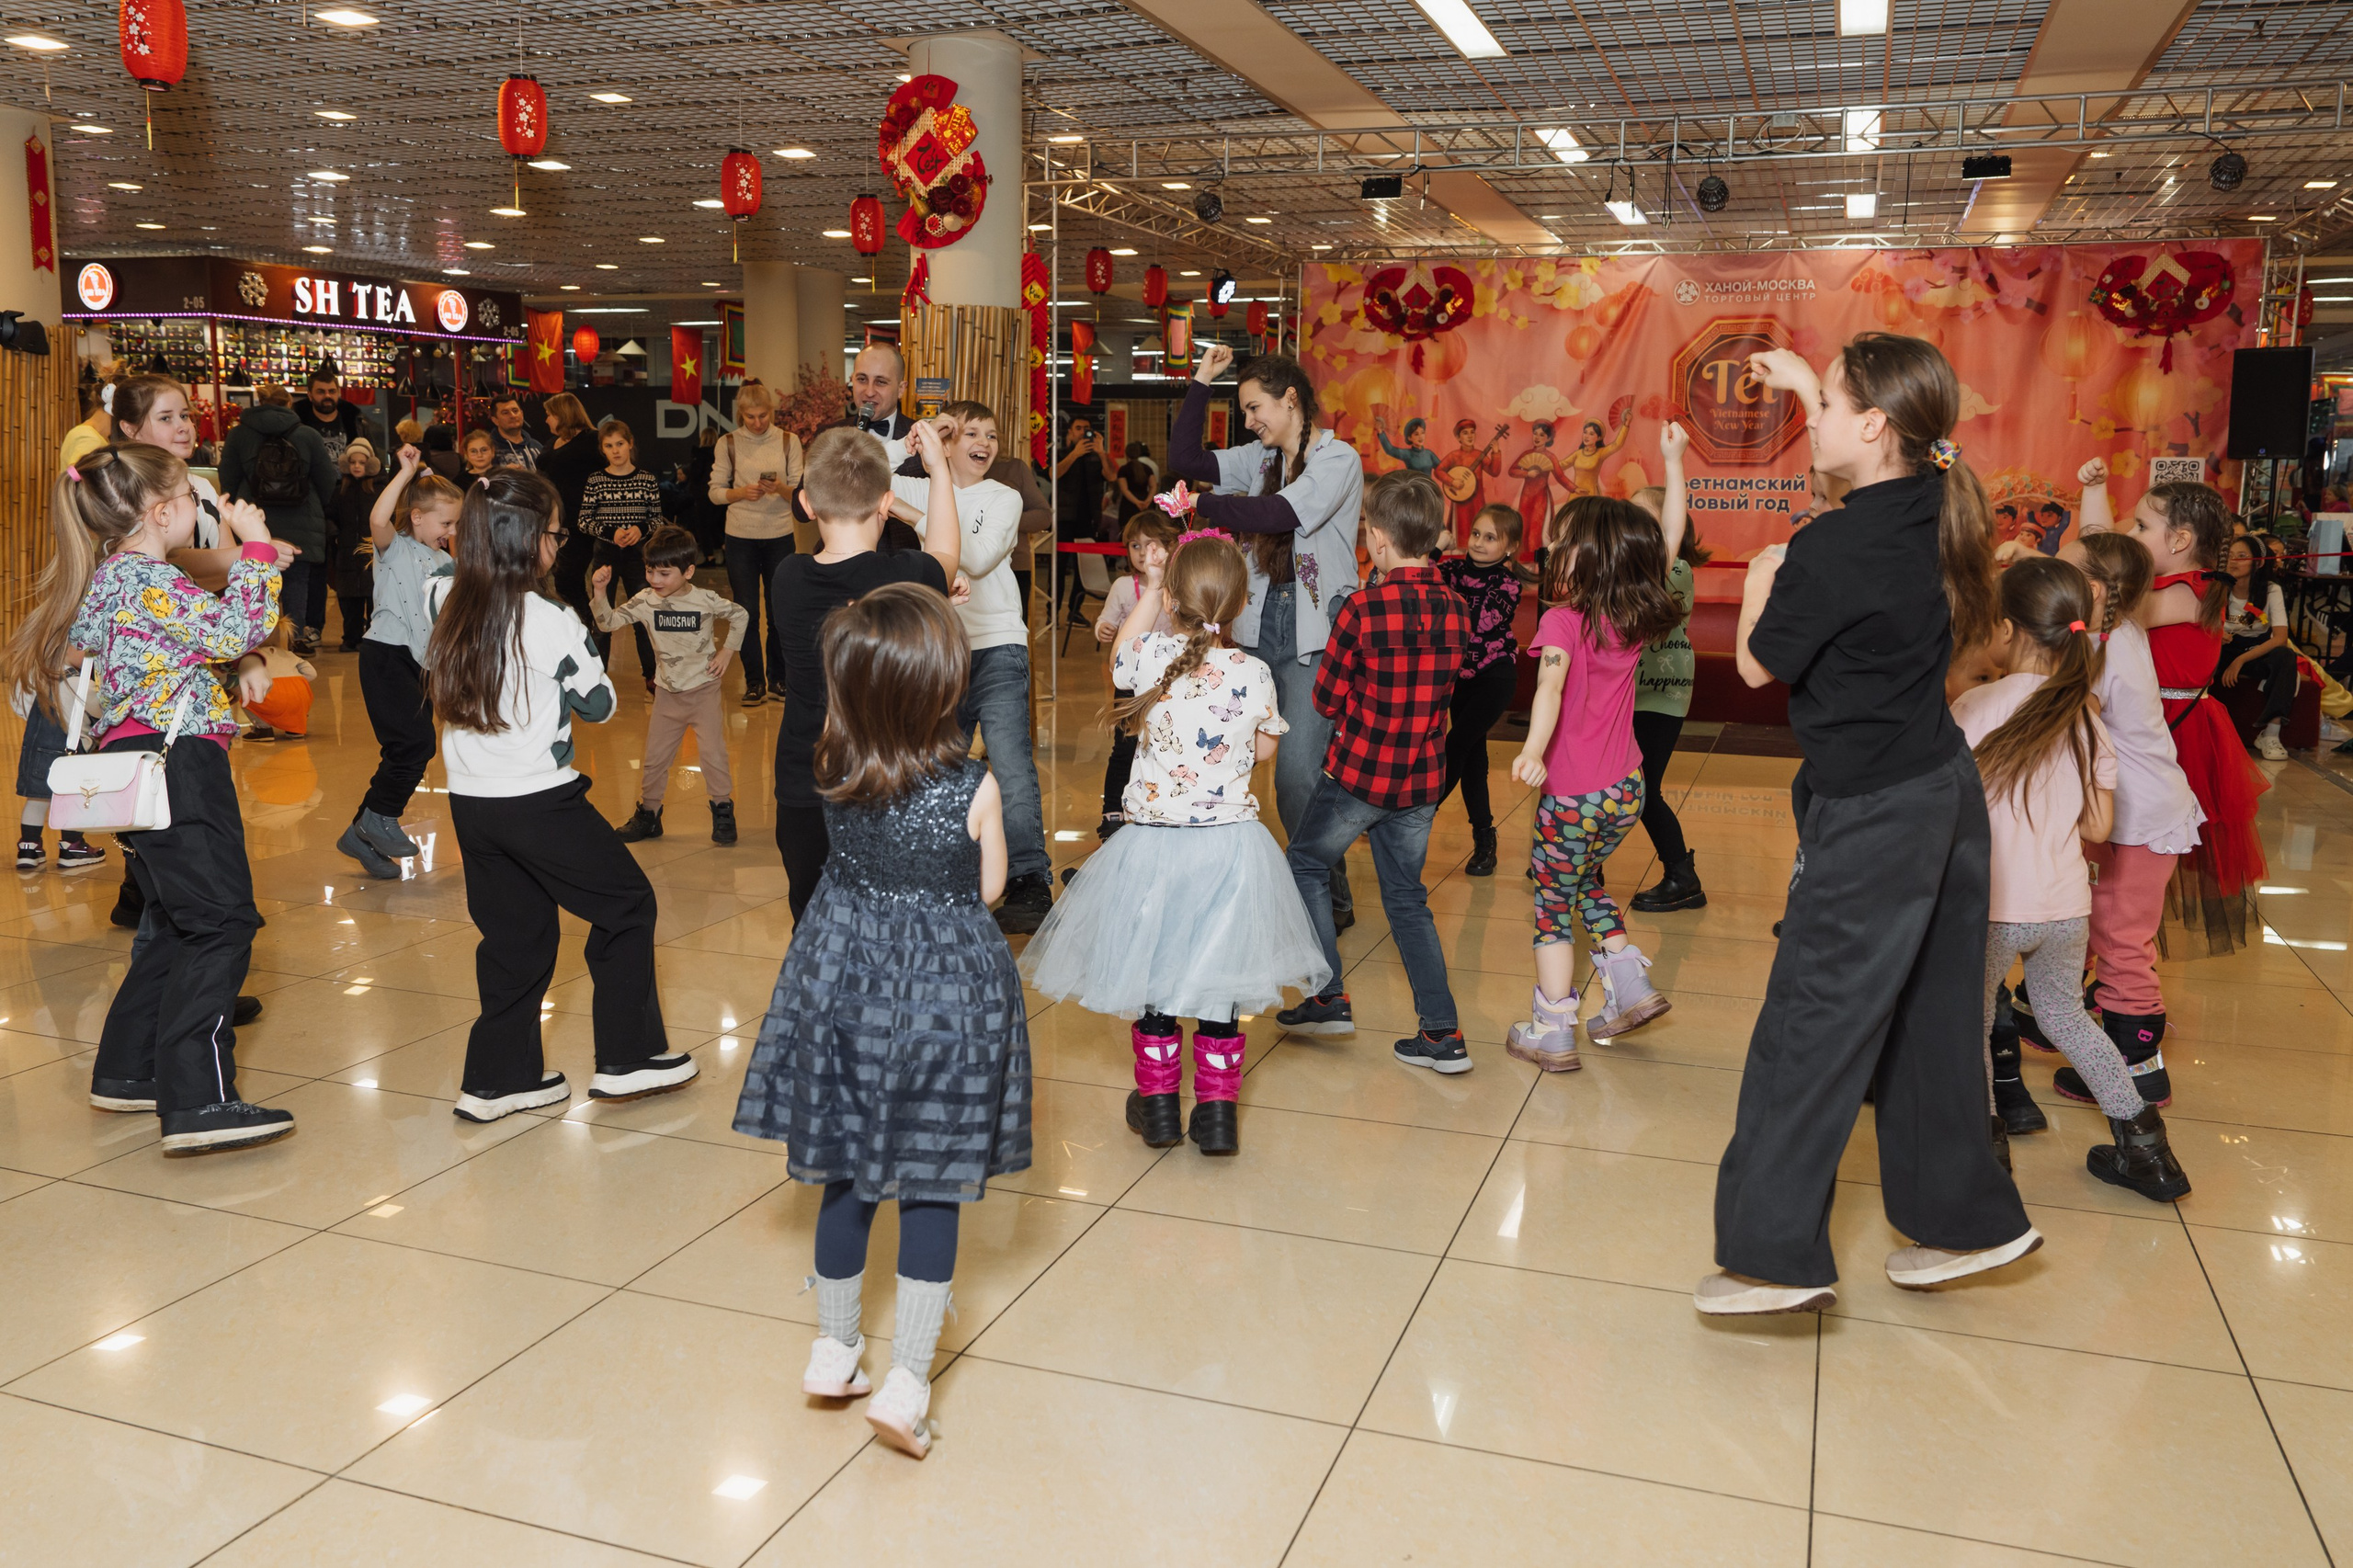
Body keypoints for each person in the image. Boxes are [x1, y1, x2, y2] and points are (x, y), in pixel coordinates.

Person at [1702, 333, 2037, 1316]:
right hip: (1941, 791)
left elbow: (1761, 664)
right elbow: (1867, 446)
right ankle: (1966, 1219)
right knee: (1933, 1019)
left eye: (1824, 407)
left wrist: (1764, 575)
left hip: (1875, 812)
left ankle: (1770, 1256)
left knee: (1809, 1023)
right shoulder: (1941, 501)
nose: (1808, 425)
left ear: (1875, 425)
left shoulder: (1830, 546)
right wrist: (1814, 383)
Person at [733, 583, 1031, 1461]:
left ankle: (832, 1354)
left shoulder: (832, 761)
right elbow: (988, 890)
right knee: (932, 1186)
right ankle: (906, 1382)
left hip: (846, 982)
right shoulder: (975, 785)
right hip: (945, 1003)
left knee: (847, 1171)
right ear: (945, 685)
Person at [16, 446, 295, 1153]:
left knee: (178, 920)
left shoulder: (113, 578)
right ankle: (199, 1101)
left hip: (137, 767)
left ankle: (129, 1072)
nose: (200, 510)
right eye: (192, 500)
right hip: (179, 767)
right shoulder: (148, 579)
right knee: (223, 923)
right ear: (159, 511)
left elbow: (91, 649)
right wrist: (255, 547)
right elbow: (236, 631)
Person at [1021, 531, 1328, 1153]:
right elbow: (1265, 749)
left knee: (1155, 977)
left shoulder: (1151, 657)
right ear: (1239, 603)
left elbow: (1118, 658)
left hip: (1154, 849)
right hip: (1230, 852)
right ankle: (1216, 1117)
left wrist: (1156, 585)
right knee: (1220, 980)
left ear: (1174, 600)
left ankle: (1159, 1106)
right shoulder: (1255, 671)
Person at [426, 470, 698, 1123]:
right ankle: (628, 1060)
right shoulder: (550, 617)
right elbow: (599, 705)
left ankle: (498, 1079)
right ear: (527, 543)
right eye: (555, 532)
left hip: (471, 801)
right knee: (627, 907)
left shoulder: (442, 594)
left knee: (514, 937)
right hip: (539, 800)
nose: (560, 543)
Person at [1954, 556, 2189, 1199]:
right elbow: (2097, 827)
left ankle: (1983, 1152)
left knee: (1971, 1023)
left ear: (2005, 628)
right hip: (2064, 909)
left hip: (1994, 906)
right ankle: (2146, 1150)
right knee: (2067, 1019)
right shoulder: (2087, 719)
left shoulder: (1974, 706)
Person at [1279, 472, 1472, 1071]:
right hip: (1420, 782)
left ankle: (1327, 995)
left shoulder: (1362, 608)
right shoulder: (1458, 609)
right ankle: (1442, 1034)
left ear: (1379, 540)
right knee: (1408, 899)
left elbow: (1327, 701)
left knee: (1306, 864)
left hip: (1358, 777)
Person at [1167, 342, 1363, 929]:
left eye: (1256, 409)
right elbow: (1185, 457)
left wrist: (1205, 506)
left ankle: (1325, 883)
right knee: (1230, 762)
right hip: (1254, 631)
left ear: (1291, 400)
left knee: (1297, 773)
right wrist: (1201, 381)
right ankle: (1278, 885)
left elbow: (1279, 515)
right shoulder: (1259, 458)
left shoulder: (1337, 459)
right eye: (1245, 412)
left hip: (1311, 633)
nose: (1250, 422)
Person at [1501, 493, 1683, 1071]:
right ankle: (1628, 983)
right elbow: (1665, 546)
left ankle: (1551, 1029)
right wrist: (1675, 468)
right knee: (1584, 883)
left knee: (1553, 906)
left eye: (1561, 539)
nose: (1550, 546)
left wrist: (1533, 751)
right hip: (1628, 790)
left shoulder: (1561, 619)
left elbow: (1548, 688)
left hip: (1573, 796)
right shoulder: (1630, 616)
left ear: (1592, 556)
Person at [769, 424, 961, 921]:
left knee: (814, 922)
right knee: (887, 922)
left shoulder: (787, 576)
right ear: (886, 504)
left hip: (804, 780)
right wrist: (938, 468)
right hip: (886, 781)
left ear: (807, 504)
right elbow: (945, 550)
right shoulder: (909, 574)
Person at [2075, 470, 2268, 956]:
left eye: (2141, 527)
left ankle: (2118, 977)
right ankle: (2103, 971)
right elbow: (2102, 569)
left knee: (2132, 860)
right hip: (2136, 722)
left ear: (2180, 540)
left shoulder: (2193, 589)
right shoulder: (2171, 581)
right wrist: (2095, 491)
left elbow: (2103, 595)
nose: (2130, 535)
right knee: (2109, 864)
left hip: (2169, 736)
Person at [2052, 530, 2204, 1113]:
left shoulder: (2098, 645)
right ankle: (2096, 1022)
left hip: (2137, 816)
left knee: (2120, 936)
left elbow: (2072, 711)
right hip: (2144, 808)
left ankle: (2138, 1068)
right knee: (2118, 927)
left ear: (2090, 589)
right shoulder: (2120, 631)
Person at [890, 400, 1053, 933]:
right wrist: (910, 444)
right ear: (948, 442)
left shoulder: (1002, 496)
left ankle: (1030, 880)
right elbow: (859, 477)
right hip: (941, 651)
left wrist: (917, 516)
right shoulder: (918, 483)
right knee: (940, 764)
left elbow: (978, 558)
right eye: (969, 434)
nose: (983, 443)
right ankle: (948, 870)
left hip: (998, 646)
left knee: (1010, 764)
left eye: (992, 434)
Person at [337, 447, 460, 880]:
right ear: (418, 517)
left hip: (420, 665)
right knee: (415, 745)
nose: (451, 531)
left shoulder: (447, 562)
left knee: (406, 748)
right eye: (446, 523)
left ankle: (362, 832)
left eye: (455, 524)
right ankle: (378, 819)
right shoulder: (396, 550)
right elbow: (377, 519)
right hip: (385, 656)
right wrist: (405, 473)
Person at [598, 526, 748, 846]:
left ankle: (722, 810)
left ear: (688, 571)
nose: (655, 579)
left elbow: (740, 615)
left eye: (664, 573)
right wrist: (599, 592)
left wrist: (727, 651)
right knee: (655, 759)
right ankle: (649, 816)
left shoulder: (705, 599)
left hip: (704, 691)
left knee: (714, 756)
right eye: (650, 571)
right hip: (666, 694)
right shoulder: (645, 601)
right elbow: (607, 622)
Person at [1630, 423, 1711, 913]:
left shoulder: (1672, 569)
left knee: (1642, 789)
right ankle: (1581, 865)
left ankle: (1683, 877)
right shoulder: (1643, 569)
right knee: (1625, 784)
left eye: (1639, 517)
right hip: (1637, 691)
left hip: (1658, 693)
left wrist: (1673, 462)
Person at [1436, 504, 1527, 877]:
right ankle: (1485, 840)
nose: (1478, 542)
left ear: (1510, 547)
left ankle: (1417, 812)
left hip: (1494, 675)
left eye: (1490, 537)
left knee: (1456, 744)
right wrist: (1437, 549)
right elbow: (1412, 577)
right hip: (1460, 676)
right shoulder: (1451, 570)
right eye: (1475, 534)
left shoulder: (1508, 583)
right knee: (1473, 759)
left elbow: (1480, 621)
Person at [219, 383, 336, 657]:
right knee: (297, 581)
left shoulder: (238, 435)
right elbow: (327, 480)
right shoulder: (307, 434)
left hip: (254, 519)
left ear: (258, 402)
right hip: (302, 518)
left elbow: (228, 479)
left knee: (257, 577)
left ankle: (256, 640)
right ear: (289, 404)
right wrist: (317, 503)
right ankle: (293, 639)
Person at [710, 381, 803, 706]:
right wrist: (740, 493)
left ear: (771, 412)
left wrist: (778, 488)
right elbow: (714, 492)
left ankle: (778, 679)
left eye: (762, 415)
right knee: (746, 611)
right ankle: (754, 683)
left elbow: (800, 494)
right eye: (750, 417)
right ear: (741, 414)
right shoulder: (728, 443)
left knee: (779, 612)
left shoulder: (790, 442)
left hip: (780, 535)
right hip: (740, 538)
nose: (757, 423)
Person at [1091, 511, 1183, 839]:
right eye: (1135, 545)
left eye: (1153, 544)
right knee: (1125, 746)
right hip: (1129, 684)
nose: (1144, 553)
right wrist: (1103, 628)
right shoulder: (1122, 586)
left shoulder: (1179, 584)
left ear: (1171, 545)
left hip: (1170, 681)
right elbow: (1106, 619)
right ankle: (1112, 811)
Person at [576, 416, 663, 684]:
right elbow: (584, 520)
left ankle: (651, 676)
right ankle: (597, 679)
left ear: (630, 444)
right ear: (602, 449)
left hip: (639, 557)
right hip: (606, 555)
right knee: (602, 618)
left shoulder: (647, 479)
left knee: (643, 618)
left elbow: (658, 519)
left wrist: (641, 528)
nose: (615, 450)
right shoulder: (596, 480)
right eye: (609, 445)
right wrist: (611, 532)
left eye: (620, 444)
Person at [2215, 533, 2297, 759]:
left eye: (2242, 556)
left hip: (2256, 651)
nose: (2233, 561)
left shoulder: (2271, 590)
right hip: (2224, 647)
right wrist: (2216, 634)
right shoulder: (2218, 586)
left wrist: (2240, 661)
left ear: (2258, 562)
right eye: (2230, 556)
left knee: (2285, 656)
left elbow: (2280, 637)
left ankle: (2271, 733)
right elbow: (2202, 624)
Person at [537, 392, 605, 642]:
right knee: (560, 577)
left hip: (580, 521)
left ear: (562, 414)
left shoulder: (593, 440)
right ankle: (577, 628)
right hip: (553, 519)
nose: (546, 420)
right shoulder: (552, 442)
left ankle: (587, 629)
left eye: (550, 414)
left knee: (568, 576)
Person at [1052, 414, 1108, 625]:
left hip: (1089, 520)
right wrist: (1074, 454)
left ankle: (1074, 612)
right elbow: (1053, 474)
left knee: (1083, 569)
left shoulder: (1096, 456)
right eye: (1078, 428)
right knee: (1058, 568)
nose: (1082, 431)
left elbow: (1111, 476)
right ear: (1070, 432)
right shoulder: (1061, 453)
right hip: (1064, 519)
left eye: (1087, 428)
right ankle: (1053, 612)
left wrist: (1102, 453)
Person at [328, 438, 383, 651]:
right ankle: (350, 637)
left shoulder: (378, 489)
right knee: (349, 600)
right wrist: (334, 533)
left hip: (373, 552)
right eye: (353, 462)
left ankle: (372, 635)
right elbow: (330, 515)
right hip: (347, 552)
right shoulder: (340, 490)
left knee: (373, 597)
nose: (357, 466)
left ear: (370, 464)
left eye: (362, 462)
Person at [1437, 418, 1502, 539]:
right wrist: (1452, 481)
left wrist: (1496, 452)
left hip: (1477, 500)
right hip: (1460, 500)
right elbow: (1438, 471)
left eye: (1472, 432)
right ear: (1458, 437)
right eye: (1465, 433)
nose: (1470, 436)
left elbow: (1494, 471)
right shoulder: (1454, 456)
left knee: (1478, 527)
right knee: (1460, 531)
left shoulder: (1479, 454)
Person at [1508, 423, 1564, 562]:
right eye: (1535, 433)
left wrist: (1575, 489)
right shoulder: (1527, 455)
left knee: (1539, 531)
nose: (1537, 437)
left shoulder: (1550, 457)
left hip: (1541, 498)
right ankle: (1524, 565)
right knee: (1524, 528)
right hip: (1526, 497)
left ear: (1548, 438)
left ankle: (1540, 567)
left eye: (1542, 435)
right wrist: (1527, 473)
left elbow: (1560, 477)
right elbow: (1512, 470)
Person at [294, 369, 364, 461]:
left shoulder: (356, 422)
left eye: (332, 391)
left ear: (338, 393)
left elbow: (372, 460)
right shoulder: (296, 425)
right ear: (310, 396)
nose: (327, 396)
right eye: (321, 392)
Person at [1567, 415, 1628, 497]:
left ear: (1599, 438)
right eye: (1585, 432)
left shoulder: (1600, 453)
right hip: (1575, 494)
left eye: (1591, 434)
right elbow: (1560, 465)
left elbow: (1617, 444)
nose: (1586, 436)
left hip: (1591, 494)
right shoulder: (1578, 454)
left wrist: (1626, 425)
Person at [486, 393, 544, 470]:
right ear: (495, 420)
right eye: (505, 413)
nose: (513, 416)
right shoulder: (487, 448)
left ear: (522, 414)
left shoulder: (537, 446)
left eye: (515, 411)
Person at [1374, 415, 1439, 476]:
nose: (1420, 437)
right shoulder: (1407, 454)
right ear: (1409, 438)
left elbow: (1442, 468)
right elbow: (1390, 450)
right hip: (1413, 486)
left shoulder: (1429, 454)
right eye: (1416, 434)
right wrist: (1380, 432)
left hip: (1429, 487)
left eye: (1422, 433)